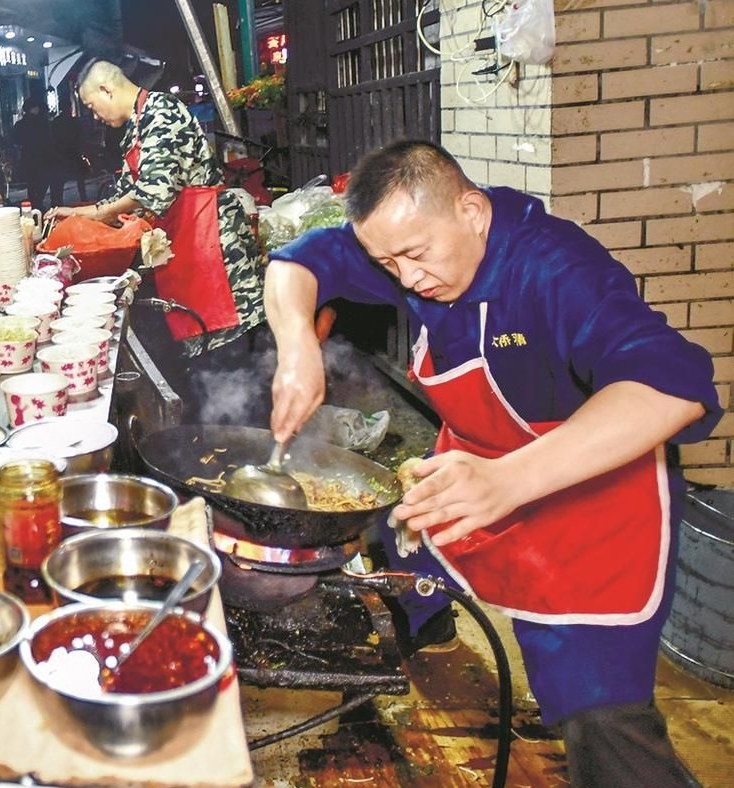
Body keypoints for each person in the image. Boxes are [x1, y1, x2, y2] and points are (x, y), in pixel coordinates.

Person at [267, 140, 719, 788]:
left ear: (472, 212)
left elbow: (675, 386)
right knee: (389, 527)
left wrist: (511, 480)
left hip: (591, 497)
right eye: (386, 262)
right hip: (478, 463)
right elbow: (297, 263)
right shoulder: (408, 248)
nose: (404, 277)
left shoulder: (556, 269)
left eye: (415, 256)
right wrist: (296, 352)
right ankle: (423, 639)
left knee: (597, 717)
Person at [51, 59, 267, 420]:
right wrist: (82, 216)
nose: (94, 116)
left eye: (92, 106)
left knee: (229, 364)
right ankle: (216, 439)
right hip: (188, 249)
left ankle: (249, 445)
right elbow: (124, 193)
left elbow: (152, 191)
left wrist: (91, 215)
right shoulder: (137, 127)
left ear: (107, 89)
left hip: (215, 251)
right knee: (203, 364)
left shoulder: (161, 111)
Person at [14, 96, 64, 211]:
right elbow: (50, 140)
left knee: (32, 184)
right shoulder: (43, 122)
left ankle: (34, 206)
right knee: (44, 183)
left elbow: (15, 141)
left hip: (28, 158)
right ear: (36, 108)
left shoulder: (20, 124)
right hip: (44, 158)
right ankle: (42, 205)